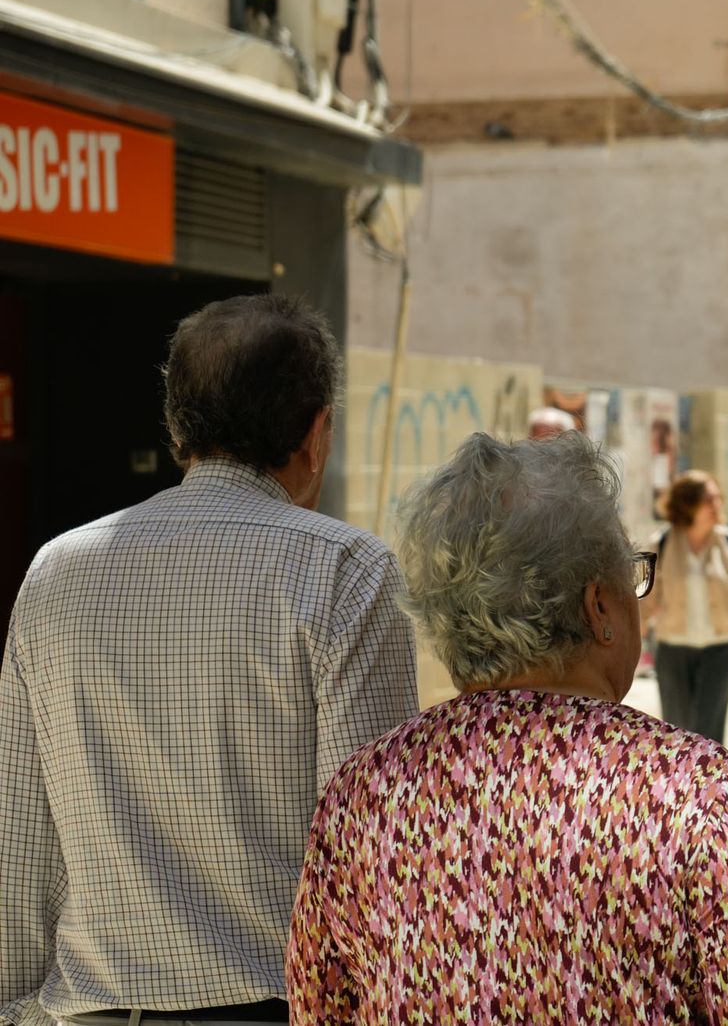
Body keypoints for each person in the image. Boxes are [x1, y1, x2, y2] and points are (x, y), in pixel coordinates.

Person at [287, 433, 728, 1022]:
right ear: (599, 608)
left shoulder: (363, 792)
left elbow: (319, 1007)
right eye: (634, 577)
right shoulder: (691, 789)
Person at [1, 295, 419, 1026]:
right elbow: (368, 857)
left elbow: (19, 844)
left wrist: (15, 1011)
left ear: (177, 427)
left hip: (86, 1013)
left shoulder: (55, 572)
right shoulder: (345, 570)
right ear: (318, 433)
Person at [639, 470, 728, 743]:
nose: (717, 506)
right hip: (673, 651)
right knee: (676, 736)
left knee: (707, 736)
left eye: (718, 498)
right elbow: (645, 600)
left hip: (721, 650)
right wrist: (631, 645)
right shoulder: (662, 543)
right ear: (687, 504)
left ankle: (710, 786)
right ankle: (679, 787)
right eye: (708, 500)